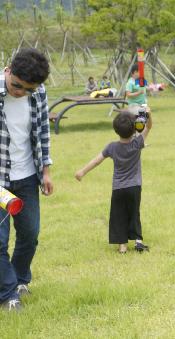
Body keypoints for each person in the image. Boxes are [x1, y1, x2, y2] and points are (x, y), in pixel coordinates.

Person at [0, 48, 53, 312]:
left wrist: (46, 170)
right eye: (17, 86)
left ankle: (20, 280)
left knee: (30, 235)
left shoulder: (38, 94)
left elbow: (43, 131)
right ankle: (8, 295)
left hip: (27, 176)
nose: (20, 92)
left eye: (28, 89)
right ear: (8, 71)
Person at [75, 111, 152, 254]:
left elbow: (97, 161)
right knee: (134, 213)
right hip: (134, 187)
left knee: (119, 215)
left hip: (118, 188)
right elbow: (148, 127)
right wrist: (149, 115)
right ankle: (138, 241)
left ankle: (122, 246)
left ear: (116, 129)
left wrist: (82, 171)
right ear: (135, 127)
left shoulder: (112, 147)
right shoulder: (137, 143)